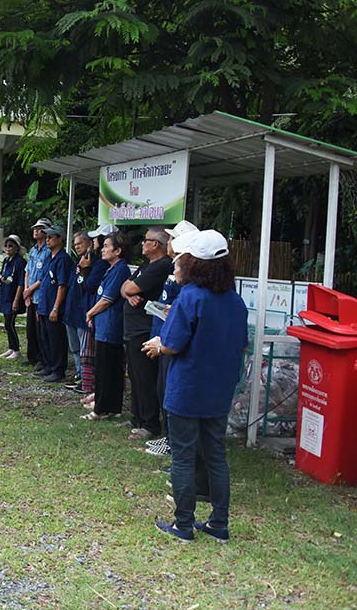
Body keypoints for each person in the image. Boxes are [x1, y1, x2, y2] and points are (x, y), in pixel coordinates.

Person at [143, 229, 247, 544]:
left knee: (184, 457)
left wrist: (158, 345)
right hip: (219, 390)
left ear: (195, 263)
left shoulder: (190, 296)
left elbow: (173, 344)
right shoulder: (236, 301)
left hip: (187, 389)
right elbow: (240, 346)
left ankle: (183, 525)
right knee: (215, 455)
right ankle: (219, 523)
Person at [145, 220, 199, 457]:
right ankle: (168, 437)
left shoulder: (189, 273)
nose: (170, 242)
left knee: (171, 391)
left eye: (173, 238)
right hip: (163, 333)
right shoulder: (172, 268)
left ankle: (173, 441)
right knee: (162, 389)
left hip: (174, 342)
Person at [121, 227, 173, 440]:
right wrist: (127, 294)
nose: (142, 243)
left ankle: (150, 424)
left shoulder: (162, 266)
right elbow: (125, 287)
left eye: (146, 240)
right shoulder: (146, 265)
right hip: (132, 328)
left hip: (144, 329)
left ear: (156, 245)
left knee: (145, 378)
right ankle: (138, 417)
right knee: (134, 375)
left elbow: (131, 288)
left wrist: (128, 291)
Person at [83, 233, 129, 421]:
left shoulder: (120, 270)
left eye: (107, 246)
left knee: (106, 369)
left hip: (110, 327)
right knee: (108, 367)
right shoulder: (112, 269)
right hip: (104, 325)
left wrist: (90, 312)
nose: (102, 249)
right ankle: (110, 406)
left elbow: (107, 299)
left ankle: (101, 409)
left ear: (118, 251)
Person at [78, 224, 114, 404]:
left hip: (100, 315)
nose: (94, 242)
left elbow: (91, 286)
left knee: (97, 356)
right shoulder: (98, 261)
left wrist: (85, 269)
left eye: (98, 239)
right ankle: (94, 391)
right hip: (94, 312)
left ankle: (96, 392)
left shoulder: (102, 264)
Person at [34, 226, 74, 382]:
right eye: (47, 237)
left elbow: (62, 285)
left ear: (60, 239)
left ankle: (58, 369)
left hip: (54, 306)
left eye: (51, 237)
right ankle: (49, 365)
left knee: (56, 339)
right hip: (44, 304)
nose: (48, 240)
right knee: (45, 338)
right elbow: (44, 282)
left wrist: (56, 307)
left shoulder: (63, 259)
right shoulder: (49, 258)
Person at [63, 231, 93, 389]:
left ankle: (84, 377)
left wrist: (85, 270)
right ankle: (78, 373)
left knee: (83, 347)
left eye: (80, 244)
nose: (77, 247)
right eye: (75, 245)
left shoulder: (91, 264)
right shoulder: (76, 263)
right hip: (71, 310)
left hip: (83, 312)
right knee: (74, 346)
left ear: (89, 243)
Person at [22, 218, 52, 369]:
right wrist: (26, 291)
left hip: (40, 295)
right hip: (31, 295)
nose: (36, 230)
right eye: (35, 228)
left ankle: (41, 358)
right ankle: (32, 356)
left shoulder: (48, 251)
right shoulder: (33, 250)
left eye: (40, 228)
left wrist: (30, 290)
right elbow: (27, 271)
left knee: (41, 330)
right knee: (30, 328)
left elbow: (44, 276)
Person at [0, 235, 25, 359]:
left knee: (10, 323)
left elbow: (21, 282)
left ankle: (16, 350)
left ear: (17, 248)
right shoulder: (7, 261)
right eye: (6, 245)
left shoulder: (20, 262)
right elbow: (5, 276)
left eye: (11, 245)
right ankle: (11, 347)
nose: (7, 248)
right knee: (6, 323)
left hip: (13, 296)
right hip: (5, 294)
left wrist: (17, 300)